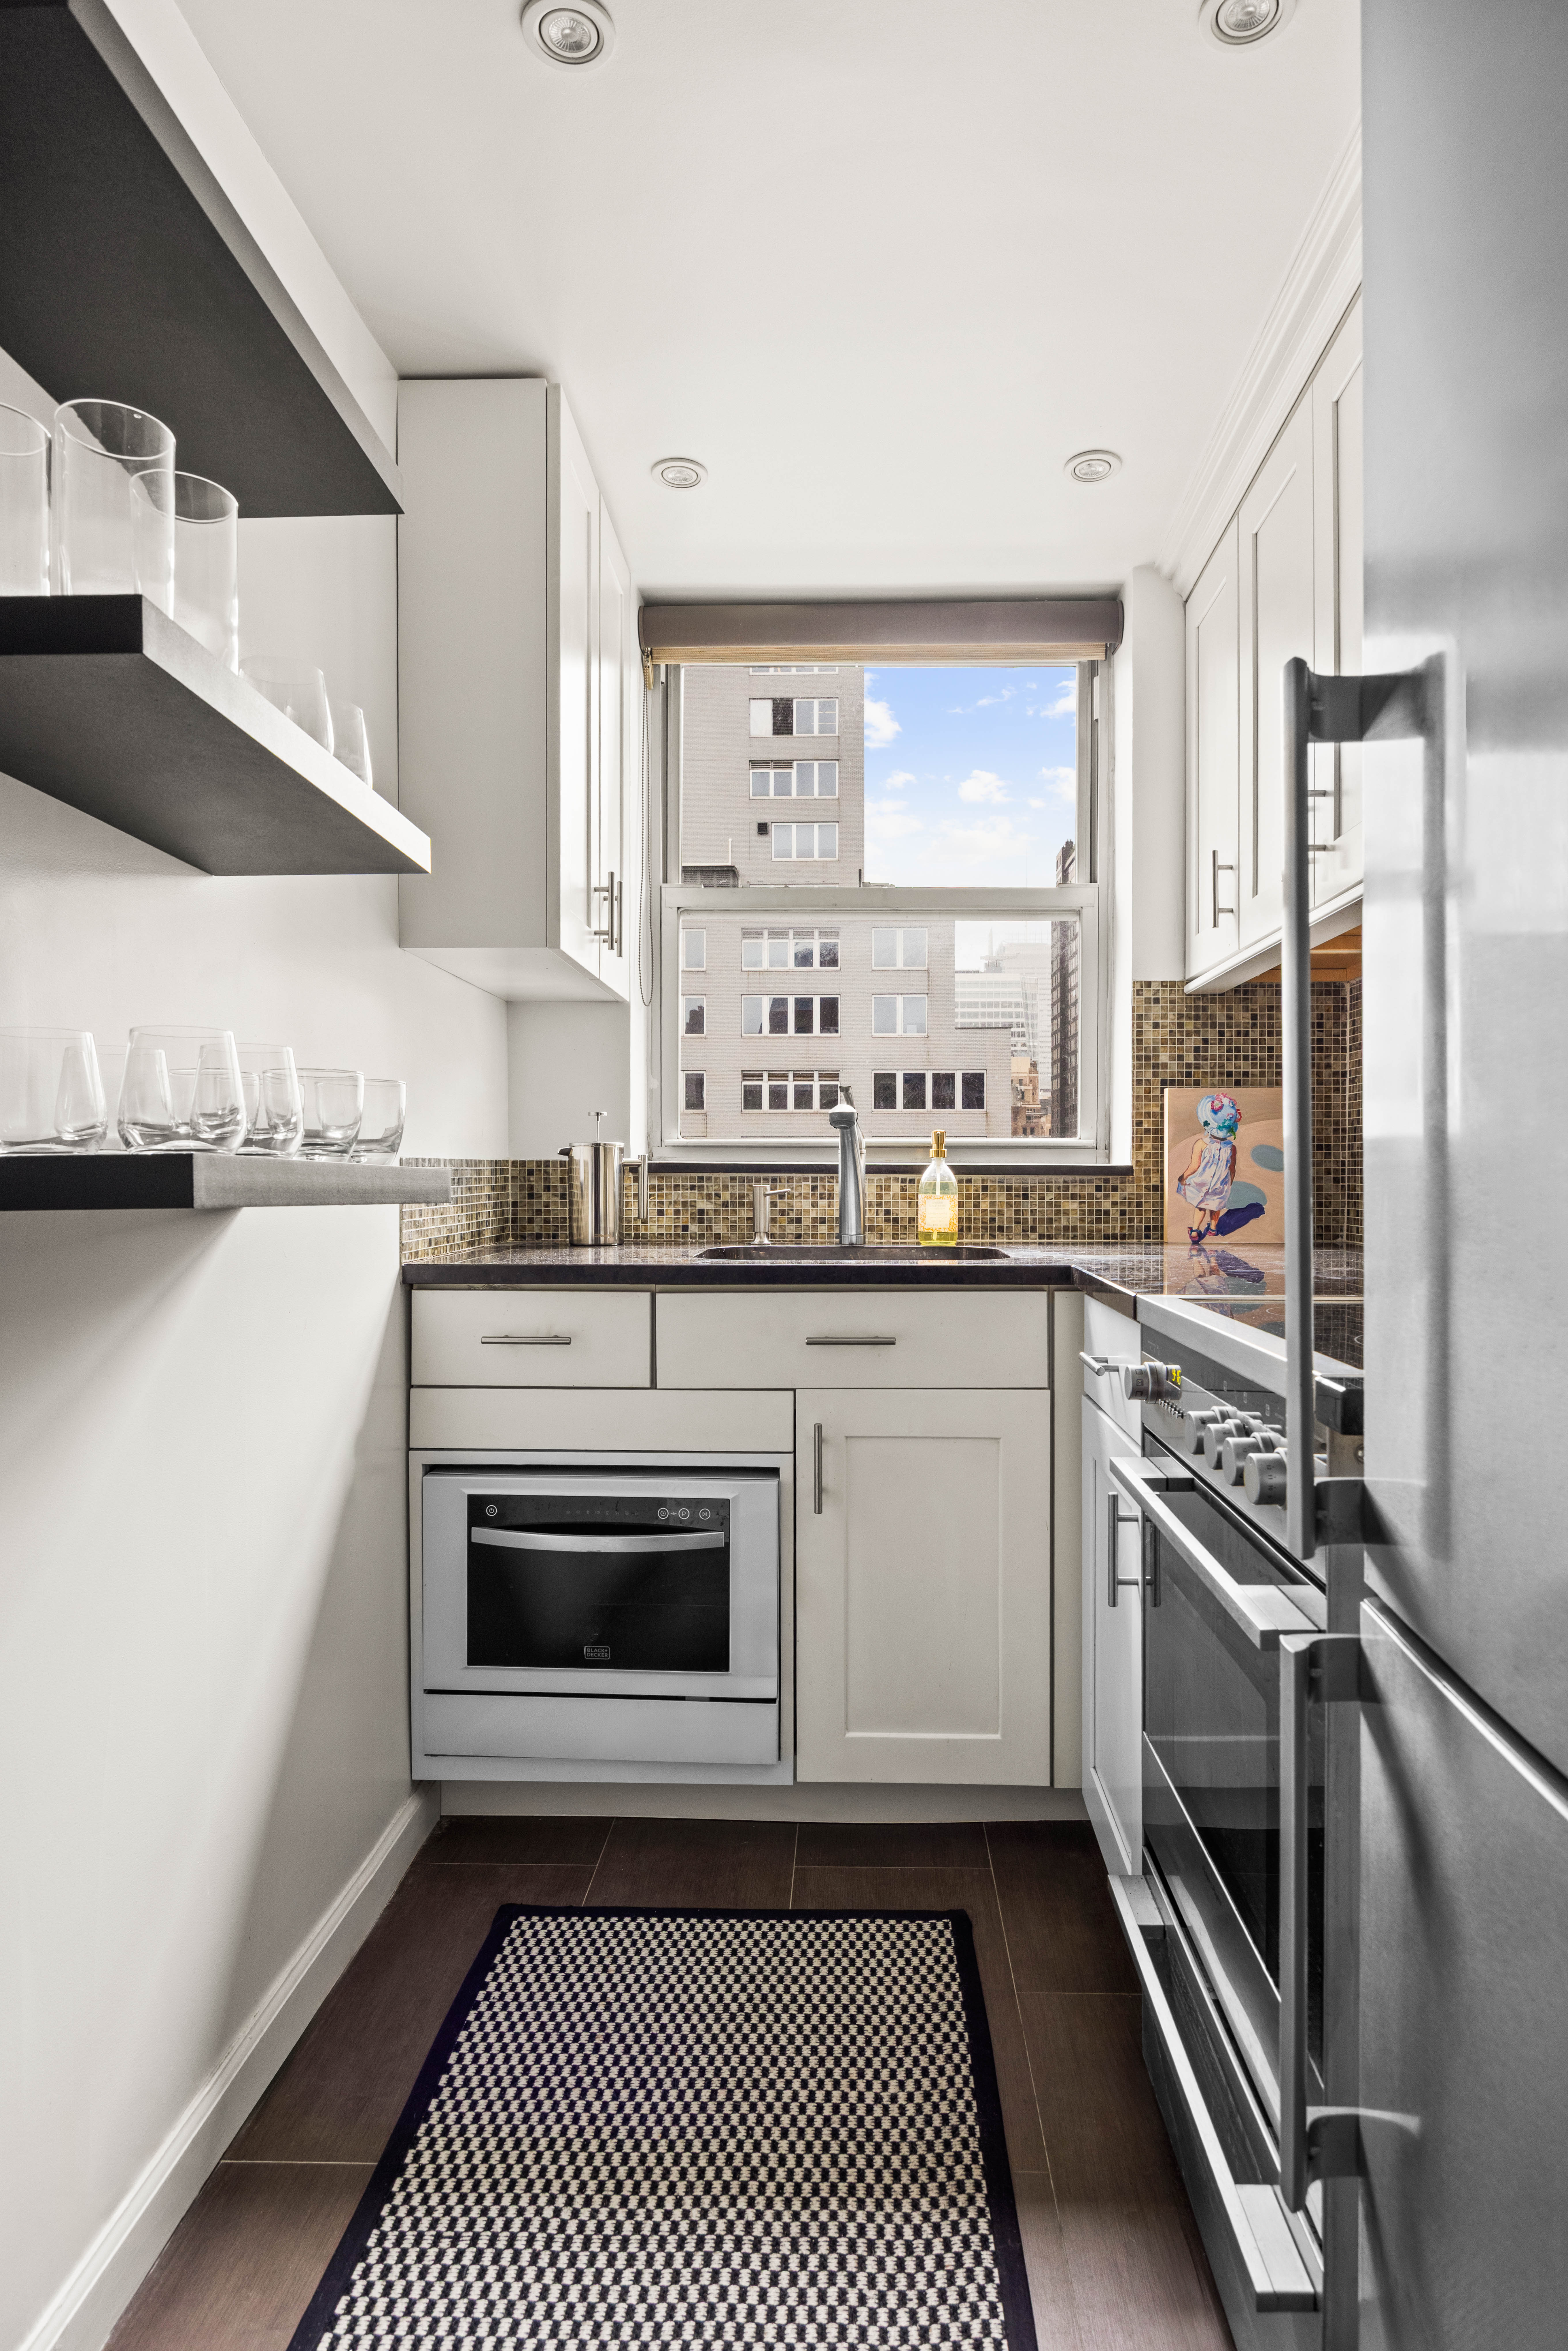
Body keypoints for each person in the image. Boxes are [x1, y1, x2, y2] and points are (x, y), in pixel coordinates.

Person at [1175, 1090, 1242, 1242]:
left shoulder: (1201, 1144)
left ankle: (1195, 1231)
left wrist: (1183, 1177)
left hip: (1203, 1182)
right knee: (1216, 1206)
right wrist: (1229, 1183)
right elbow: (1232, 1169)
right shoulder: (1232, 1148)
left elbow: (1195, 1166)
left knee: (1201, 1206)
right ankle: (1213, 1229)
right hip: (1221, 1183)